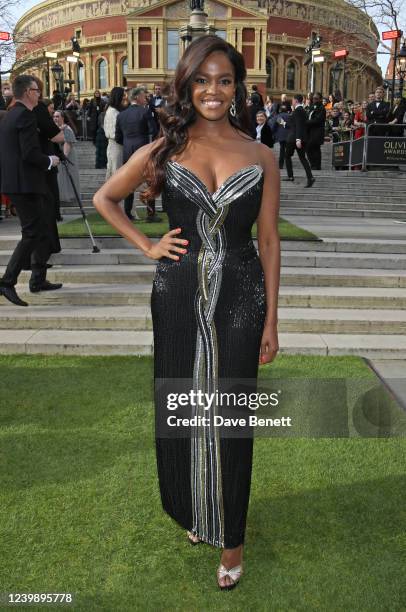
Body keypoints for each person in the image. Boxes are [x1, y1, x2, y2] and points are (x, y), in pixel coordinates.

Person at [93, 35, 280, 591]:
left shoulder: (261, 154)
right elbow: (107, 198)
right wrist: (147, 245)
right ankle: (196, 507)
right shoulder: (163, 149)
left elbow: (269, 242)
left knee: (231, 419)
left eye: (224, 81)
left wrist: (271, 320)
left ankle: (233, 539)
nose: (213, 91)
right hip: (177, 293)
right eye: (202, 80)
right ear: (186, 86)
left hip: (243, 296)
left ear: (237, 87)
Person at [0, 75, 61, 306]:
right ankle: (7, 281)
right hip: (25, 184)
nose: (39, 94)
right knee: (32, 233)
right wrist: (50, 160)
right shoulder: (24, 116)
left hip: (18, 183)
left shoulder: (10, 115)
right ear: (27, 92)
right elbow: (29, 153)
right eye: (37, 90)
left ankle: (37, 278)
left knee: (41, 229)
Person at [115, 86, 159, 221]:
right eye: (143, 96)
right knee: (150, 181)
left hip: (128, 150)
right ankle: (150, 214)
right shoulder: (144, 112)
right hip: (143, 149)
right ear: (136, 97)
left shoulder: (121, 115)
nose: (145, 98)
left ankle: (128, 214)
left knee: (129, 183)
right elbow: (154, 131)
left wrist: (128, 143)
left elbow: (118, 137)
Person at [284, 93, 315, 186]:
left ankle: (291, 176)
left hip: (294, 138)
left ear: (296, 101)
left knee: (287, 156)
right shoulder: (301, 110)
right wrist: (284, 124)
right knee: (302, 158)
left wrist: (298, 139)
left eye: (293, 100)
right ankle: (310, 177)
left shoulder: (298, 110)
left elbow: (299, 125)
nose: (292, 102)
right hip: (299, 137)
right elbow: (294, 124)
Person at [53, 110, 81, 204]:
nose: (55, 118)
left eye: (57, 116)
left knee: (67, 175)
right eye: (54, 116)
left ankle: (69, 196)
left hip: (67, 155)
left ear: (63, 118)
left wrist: (64, 157)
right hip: (58, 154)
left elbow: (68, 143)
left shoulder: (67, 129)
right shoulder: (56, 128)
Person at [104, 87, 125, 180]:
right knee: (115, 171)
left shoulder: (112, 110)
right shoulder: (113, 112)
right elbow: (114, 132)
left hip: (114, 144)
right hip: (116, 145)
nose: (124, 97)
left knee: (113, 169)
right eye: (123, 95)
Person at [306, 92, 326, 171]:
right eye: (313, 98)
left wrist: (306, 122)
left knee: (314, 147)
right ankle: (314, 165)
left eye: (316, 98)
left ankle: (316, 165)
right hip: (310, 131)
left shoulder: (322, 108)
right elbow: (308, 116)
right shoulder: (311, 107)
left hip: (317, 131)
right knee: (311, 148)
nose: (314, 100)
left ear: (320, 99)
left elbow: (317, 120)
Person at [270, 103, 290, 169]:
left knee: (282, 150)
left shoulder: (277, 116)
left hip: (281, 136)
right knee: (288, 150)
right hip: (289, 136)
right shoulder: (290, 116)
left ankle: (280, 165)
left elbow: (274, 127)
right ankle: (288, 163)